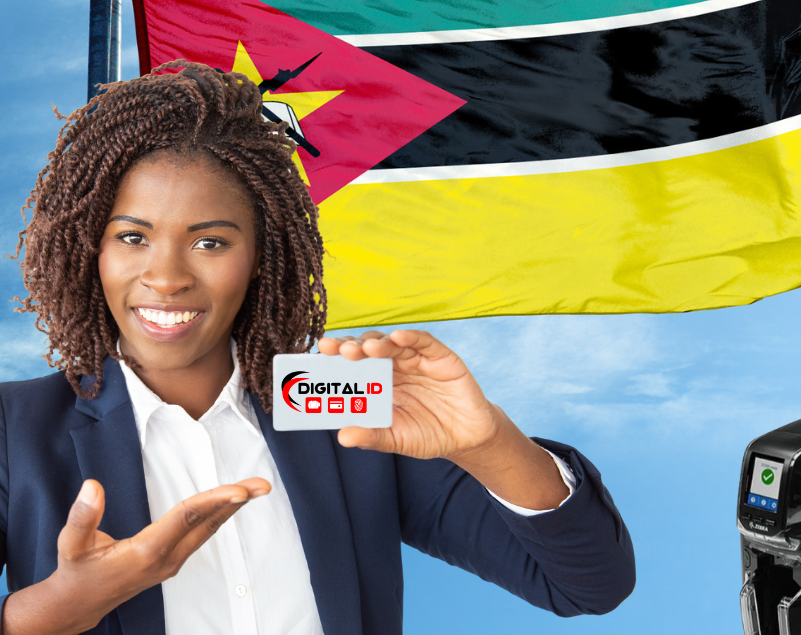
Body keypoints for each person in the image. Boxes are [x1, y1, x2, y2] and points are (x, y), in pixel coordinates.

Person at [0, 61, 635, 635]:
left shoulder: (334, 401)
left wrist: (487, 442)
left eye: (210, 242)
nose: (166, 277)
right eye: (133, 238)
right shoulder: (14, 429)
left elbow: (587, 583)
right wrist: (50, 613)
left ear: (260, 258)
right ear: (90, 248)